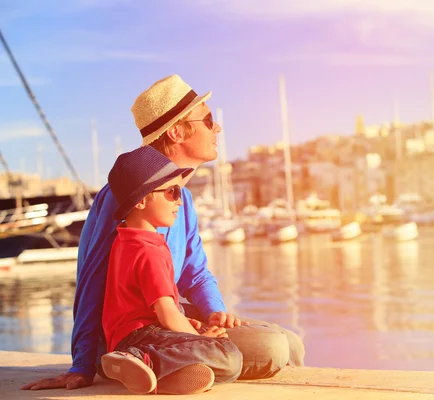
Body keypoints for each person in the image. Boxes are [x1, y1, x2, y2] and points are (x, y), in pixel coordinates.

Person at [22, 75, 305, 391]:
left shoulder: (180, 199)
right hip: (135, 337)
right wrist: (82, 365)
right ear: (176, 131)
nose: (218, 129)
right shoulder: (125, 197)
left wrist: (215, 314)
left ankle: (178, 370)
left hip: (169, 326)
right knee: (273, 349)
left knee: (290, 342)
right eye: (209, 120)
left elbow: (195, 273)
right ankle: (140, 364)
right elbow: (92, 281)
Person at [102, 146, 242, 395]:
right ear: (141, 200)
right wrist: (201, 339)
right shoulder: (150, 249)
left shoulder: (124, 240)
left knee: (211, 360)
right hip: (143, 339)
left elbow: (141, 306)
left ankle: (153, 376)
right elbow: (166, 315)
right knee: (229, 356)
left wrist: (190, 325)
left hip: (128, 335)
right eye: (172, 191)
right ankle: (143, 360)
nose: (180, 199)